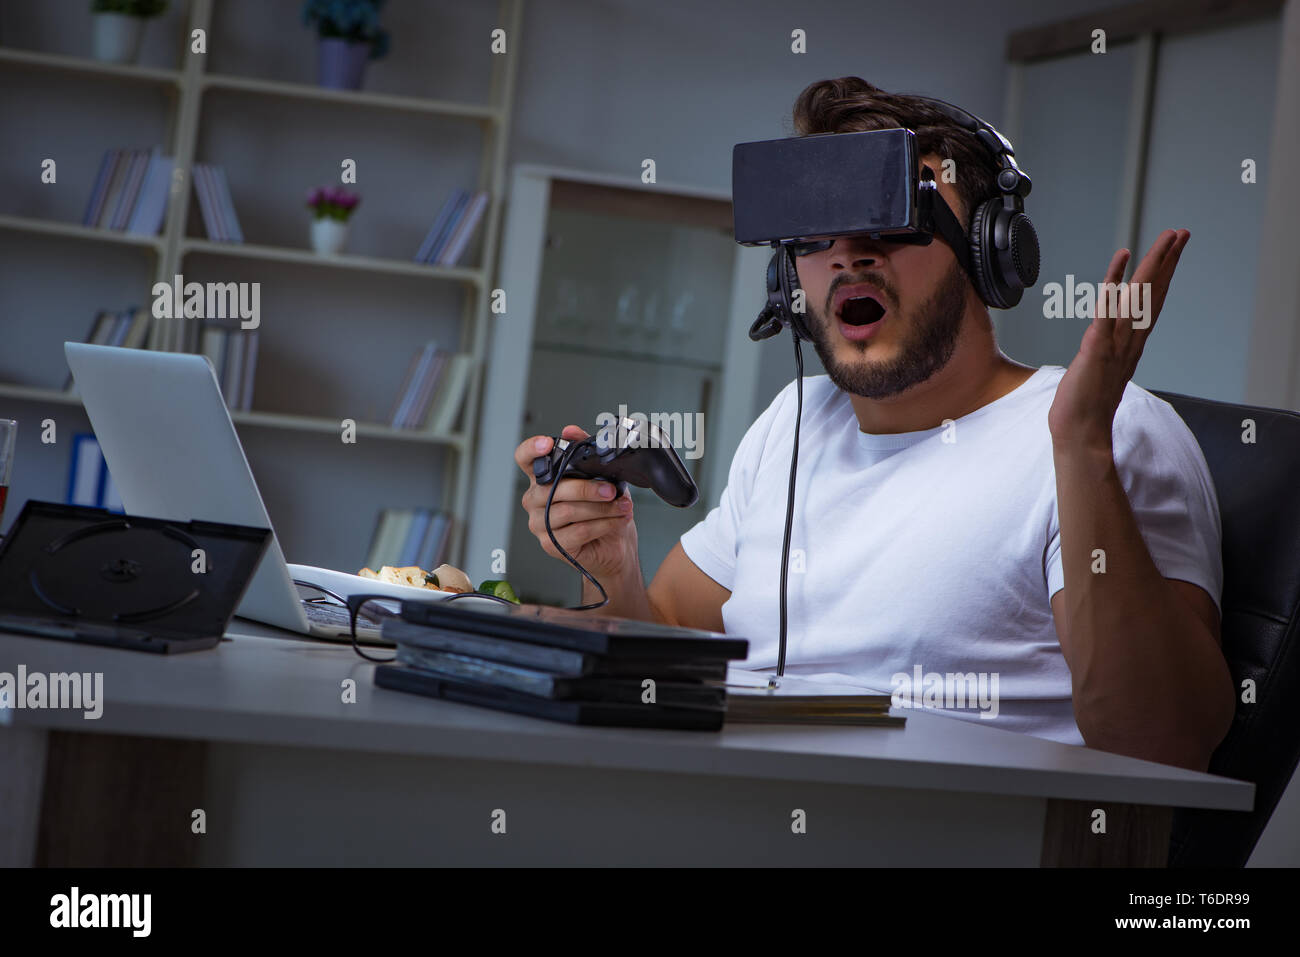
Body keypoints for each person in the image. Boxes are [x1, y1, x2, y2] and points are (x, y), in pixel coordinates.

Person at [513, 77, 1233, 772]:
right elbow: (666, 628)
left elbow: (1162, 745)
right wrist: (614, 564)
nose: (849, 254)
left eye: (892, 221)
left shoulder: (1106, 428)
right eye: (818, 229)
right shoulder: (794, 420)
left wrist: (1082, 449)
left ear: (990, 250)